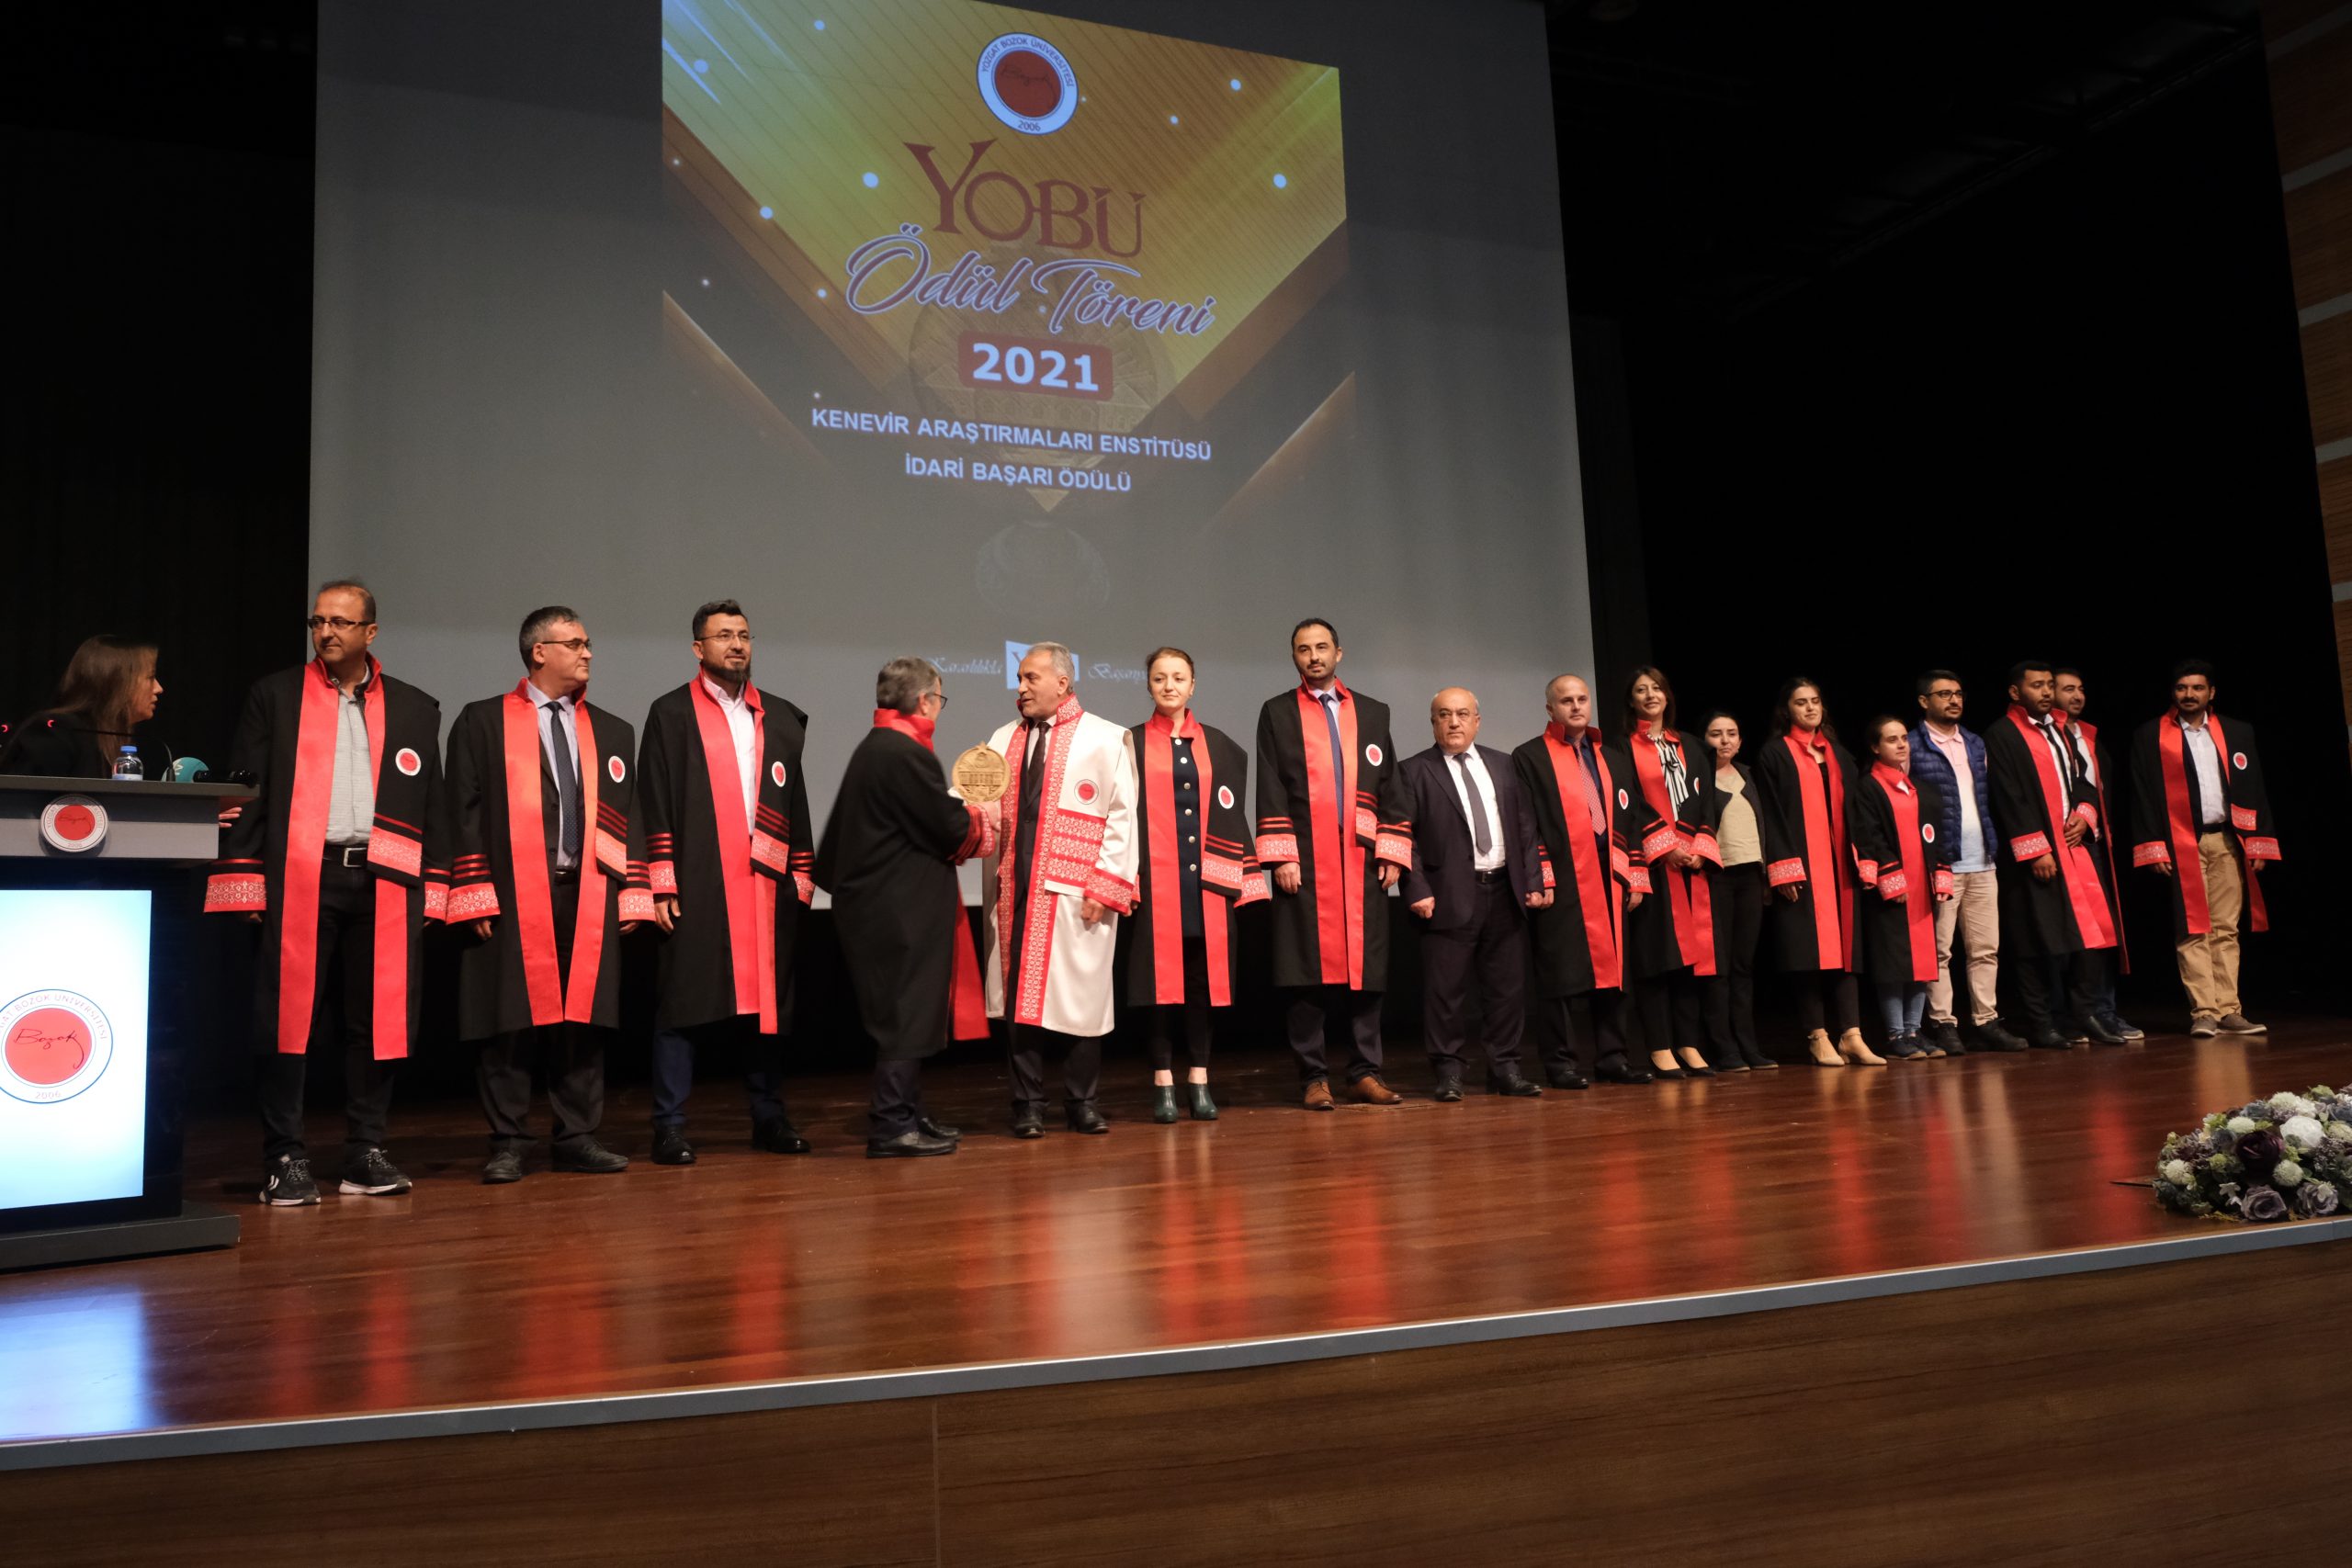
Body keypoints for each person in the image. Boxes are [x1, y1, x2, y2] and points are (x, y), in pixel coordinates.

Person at [204, 581, 443, 1206]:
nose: (327, 632)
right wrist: (244, 877)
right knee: (289, 1019)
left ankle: (366, 1150)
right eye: (319, 621)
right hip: (301, 877)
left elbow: (433, 806)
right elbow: (244, 796)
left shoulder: (416, 707)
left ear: (371, 632)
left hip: (386, 881)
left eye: (341, 622)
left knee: (378, 1021)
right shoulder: (276, 696)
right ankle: (284, 1155)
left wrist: (435, 888)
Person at [443, 606, 651, 1181]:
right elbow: (461, 811)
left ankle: (578, 1134)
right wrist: (472, 889)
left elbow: (626, 816)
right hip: (510, 894)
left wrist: (631, 891)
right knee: (508, 1018)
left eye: (588, 643)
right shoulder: (483, 722)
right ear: (539, 652)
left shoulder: (612, 730)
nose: (587, 653)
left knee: (582, 1017)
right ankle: (509, 1139)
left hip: (585, 894)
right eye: (575, 644)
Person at [637, 599, 817, 1165]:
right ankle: (668, 1124)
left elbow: (798, 803)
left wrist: (801, 871)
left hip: (764, 882)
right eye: (722, 636)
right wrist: (660, 881)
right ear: (699, 648)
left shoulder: (781, 716)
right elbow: (654, 799)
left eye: (743, 635)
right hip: (699, 878)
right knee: (680, 1004)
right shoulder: (671, 714)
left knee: (766, 1006)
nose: (736, 645)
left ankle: (769, 1116)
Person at [814, 657, 989, 1157]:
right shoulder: (902, 751)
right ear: (923, 700)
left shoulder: (881, 745)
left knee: (909, 1011)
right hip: (897, 909)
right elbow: (949, 828)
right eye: (939, 698)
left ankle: (910, 1114)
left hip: (887, 904)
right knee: (905, 1015)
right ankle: (892, 1125)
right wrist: (978, 814)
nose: (938, 707)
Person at [977, 642, 1138, 1136]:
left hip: (1075, 890)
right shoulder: (1003, 738)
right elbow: (980, 804)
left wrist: (1104, 885)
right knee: (1019, 1003)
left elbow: (1123, 818)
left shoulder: (1107, 739)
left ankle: (1081, 1101)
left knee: (1081, 999)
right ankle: (1027, 1104)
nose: (1020, 689)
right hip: (1015, 886)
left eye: (1030, 678)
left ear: (1062, 684)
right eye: (1019, 679)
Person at [1255, 619, 1415, 1110]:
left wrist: (1391, 850)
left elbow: (1390, 782)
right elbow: (1269, 782)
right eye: (1303, 650)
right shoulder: (1278, 712)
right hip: (1304, 865)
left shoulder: (1371, 712)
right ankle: (1314, 1076)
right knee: (1306, 974)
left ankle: (1365, 1071)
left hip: (1361, 863)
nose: (1314, 656)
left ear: (1338, 653)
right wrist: (1281, 855)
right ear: (1295, 658)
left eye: (1322, 647)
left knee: (1368, 974)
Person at [1126, 648, 1267, 1123]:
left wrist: (1244, 880)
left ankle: (1200, 1079)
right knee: (1160, 990)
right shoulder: (1129, 744)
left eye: (1178, 677)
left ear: (1193, 686)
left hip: (1206, 889)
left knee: (1201, 988)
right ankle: (1163, 1083)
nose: (1169, 685)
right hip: (1155, 887)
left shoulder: (1222, 746)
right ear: (1148, 684)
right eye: (1160, 677)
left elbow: (1232, 815)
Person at [1399, 687, 1549, 1100]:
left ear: (1477, 721)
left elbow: (1524, 828)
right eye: (1444, 715)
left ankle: (1505, 1068)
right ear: (1433, 722)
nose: (1454, 722)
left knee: (1506, 989)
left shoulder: (1502, 766)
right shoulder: (1413, 771)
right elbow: (1402, 837)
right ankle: (1448, 1072)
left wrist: (1534, 882)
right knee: (1445, 993)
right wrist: (1415, 887)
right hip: (1445, 896)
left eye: (1463, 714)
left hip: (1504, 890)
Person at [2127, 660, 2278, 1039]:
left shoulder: (2237, 732)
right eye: (2182, 688)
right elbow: (2142, 794)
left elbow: (2255, 787)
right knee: (2193, 927)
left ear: (2211, 693)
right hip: (2182, 842)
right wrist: (2154, 846)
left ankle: (2230, 1009)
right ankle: (2204, 1011)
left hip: (2227, 839)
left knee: (2226, 928)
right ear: (2173, 693)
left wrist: (2258, 840)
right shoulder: (2151, 736)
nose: (2189, 695)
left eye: (2197, 688)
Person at [1511, 673, 1649, 1087]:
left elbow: (1631, 817)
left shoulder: (1612, 755)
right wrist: (1542, 876)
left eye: (1582, 699)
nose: (1575, 706)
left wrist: (1636, 875)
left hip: (1611, 875)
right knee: (1561, 972)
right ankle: (1560, 1063)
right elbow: (1525, 823)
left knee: (1616, 972)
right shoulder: (1529, 757)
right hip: (1563, 877)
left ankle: (1613, 1056)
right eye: (1565, 700)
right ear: (1550, 708)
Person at [1982, 660, 2119, 1050]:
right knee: (2035, 940)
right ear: (2015, 692)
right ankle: (2041, 1021)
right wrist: (2035, 850)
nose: (2045, 692)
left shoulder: (2059, 730)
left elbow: (2083, 780)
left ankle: (2084, 1013)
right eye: (2037, 685)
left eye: (2048, 685)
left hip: (2072, 848)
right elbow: (2008, 797)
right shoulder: (2002, 734)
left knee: (2091, 935)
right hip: (2034, 856)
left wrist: (2083, 813)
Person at [1754, 677, 1878, 1066]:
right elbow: (1770, 814)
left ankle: (1852, 1034)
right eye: (1800, 703)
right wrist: (1784, 868)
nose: (1810, 708)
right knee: (1805, 952)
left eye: (1815, 701)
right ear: (1786, 710)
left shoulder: (1840, 755)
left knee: (1846, 953)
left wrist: (1865, 859)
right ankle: (1817, 1035)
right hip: (1802, 867)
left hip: (1840, 866)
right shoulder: (1774, 754)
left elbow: (1857, 812)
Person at [1908, 671, 2026, 1053]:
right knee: (1940, 951)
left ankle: (1986, 1020)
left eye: (1958, 694)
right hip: (1942, 865)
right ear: (1925, 701)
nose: (1954, 701)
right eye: (1944, 694)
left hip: (1983, 860)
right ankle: (1944, 1023)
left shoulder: (1975, 743)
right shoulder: (1912, 745)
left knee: (1985, 947)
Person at [1612, 668, 1720, 1079]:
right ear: (1631, 701)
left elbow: (1705, 800)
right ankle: (1660, 1047)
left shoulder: (1691, 745)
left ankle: (1689, 1044)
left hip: (1693, 866)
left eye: (1656, 688)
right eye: (1641, 690)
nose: (1650, 695)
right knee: (1657, 959)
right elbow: (1630, 803)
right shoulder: (1621, 749)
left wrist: (1696, 847)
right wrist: (1667, 846)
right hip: (1652, 866)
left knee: (1692, 961)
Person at [1849, 717, 1953, 1059]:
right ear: (1875, 747)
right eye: (1891, 739)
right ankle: (1895, 1034)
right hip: (1891, 889)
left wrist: (1939, 873)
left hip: (1921, 888)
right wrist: (1891, 880)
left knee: (1923, 961)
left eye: (1904, 738)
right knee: (1893, 964)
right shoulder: (1869, 787)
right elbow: (1869, 836)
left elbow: (1935, 838)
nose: (1901, 744)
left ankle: (1914, 1029)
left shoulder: (1920, 789)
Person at [2054, 668, 2143, 1043]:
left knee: (2104, 932)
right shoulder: (2051, 736)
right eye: (2067, 689)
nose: (2077, 695)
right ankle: (2072, 1016)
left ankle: (2104, 1011)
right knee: (2074, 937)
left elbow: (2095, 790)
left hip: (2094, 842)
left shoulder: (2087, 736)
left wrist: (2090, 819)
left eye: (2080, 689)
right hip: (2064, 846)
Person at [1698, 711, 1774, 1070]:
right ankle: (1723, 1046)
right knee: (1719, 968)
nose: (1725, 740)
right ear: (1703, 740)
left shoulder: (1747, 774)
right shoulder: (1698, 778)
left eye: (1732, 733)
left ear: (1741, 740)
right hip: (1717, 877)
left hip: (1750, 877)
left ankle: (1748, 1044)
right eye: (1716, 734)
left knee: (1743, 966)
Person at [0, 635, 164, 778]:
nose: (158, 688)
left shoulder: (120, 739)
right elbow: (24, 804)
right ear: (116, 683)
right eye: (150, 677)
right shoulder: (57, 731)